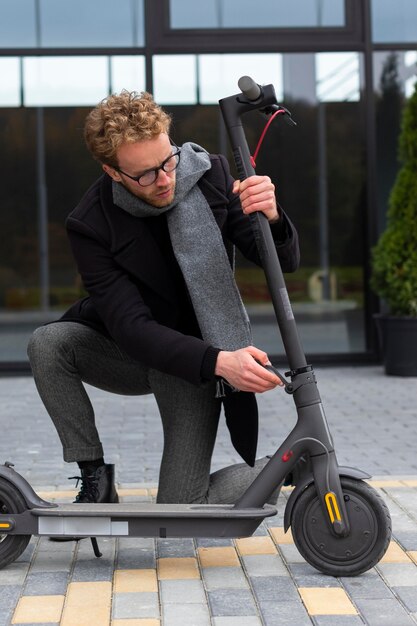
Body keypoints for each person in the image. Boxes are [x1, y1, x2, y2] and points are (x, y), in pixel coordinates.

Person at [27, 90, 300, 507]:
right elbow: (132, 330)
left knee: (179, 508)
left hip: (193, 361)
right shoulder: (90, 224)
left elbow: (281, 262)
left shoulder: (210, 174)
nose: (166, 179)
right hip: (132, 351)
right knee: (47, 344)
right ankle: (95, 477)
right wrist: (222, 362)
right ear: (113, 172)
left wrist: (273, 216)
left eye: (167, 160)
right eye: (145, 174)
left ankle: (291, 463)